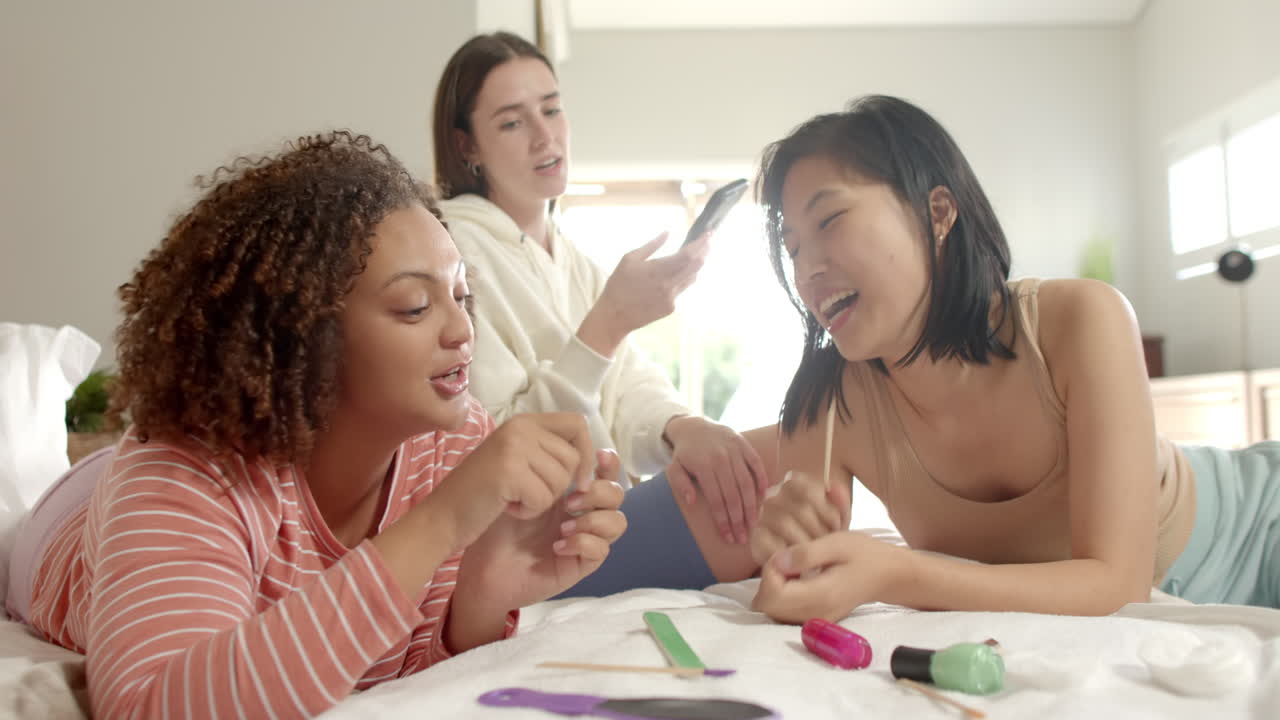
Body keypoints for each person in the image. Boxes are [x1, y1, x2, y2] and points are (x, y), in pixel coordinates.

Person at [3, 131, 625, 719]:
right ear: (302, 336)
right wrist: (439, 524)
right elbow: (151, 704)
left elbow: (401, 666)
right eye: (415, 305)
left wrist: (481, 599)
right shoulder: (185, 467)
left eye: (461, 297)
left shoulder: (455, 445)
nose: (462, 331)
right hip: (69, 520)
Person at [743, 95, 1280, 623]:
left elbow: (1119, 584)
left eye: (830, 220)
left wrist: (897, 574)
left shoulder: (1081, 319)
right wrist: (785, 548)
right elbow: (799, 583)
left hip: (1258, 526)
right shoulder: (829, 406)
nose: (807, 268)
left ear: (937, 213)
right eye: (792, 248)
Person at [430, 32, 764, 592]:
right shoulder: (452, 250)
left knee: (765, 467)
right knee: (787, 463)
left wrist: (684, 428)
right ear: (468, 147)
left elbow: (629, 387)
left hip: (604, 514)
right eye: (513, 123)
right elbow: (495, 448)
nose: (545, 136)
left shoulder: (573, 259)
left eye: (553, 109)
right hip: (540, 546)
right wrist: (607, 324)